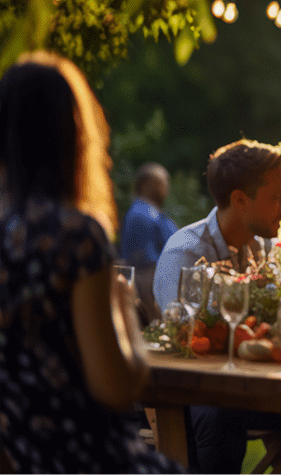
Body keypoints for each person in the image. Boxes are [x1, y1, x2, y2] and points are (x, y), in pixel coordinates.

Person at [0, 51, 182, 473]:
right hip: (86, 458)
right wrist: (124, 314)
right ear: (74, 135)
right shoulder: (75, 236)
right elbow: (115, 387)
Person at [152, 139, 281, 473]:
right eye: (277, 196)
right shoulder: (186, 253)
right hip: (191, 391)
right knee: (223, 413)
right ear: (240, 200)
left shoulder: (262, 248)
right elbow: (184, 339)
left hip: (248, 385)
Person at [121, 162, 178, 323]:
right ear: (145, 185)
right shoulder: (140, 215)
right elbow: (144, 265)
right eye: (160, 182)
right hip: (150, 286)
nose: (166, 186)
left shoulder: (151, 212)